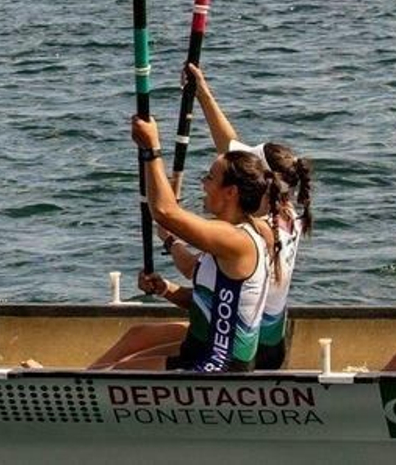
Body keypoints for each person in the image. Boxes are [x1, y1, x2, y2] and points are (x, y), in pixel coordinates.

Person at [89, 115, 283, 372]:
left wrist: (151, 148)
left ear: (231, 192)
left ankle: (67, 389)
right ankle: (72, 383)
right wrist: (166, 289)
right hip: (197, 350)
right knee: (131, 345)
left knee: (116, 373)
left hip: (216, 367)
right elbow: (212, 302)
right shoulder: (228, 235)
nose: (203, 183)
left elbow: (165, 212)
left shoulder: (236, 240)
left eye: (210, 178)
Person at [182, 63, 312, 370]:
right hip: (273, 338)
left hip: (250, 347)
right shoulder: (290, 211)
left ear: (263, 180)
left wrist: (170, 235)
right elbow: (228, 145)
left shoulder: (259, 233)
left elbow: (194, 268)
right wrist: (202, 93)